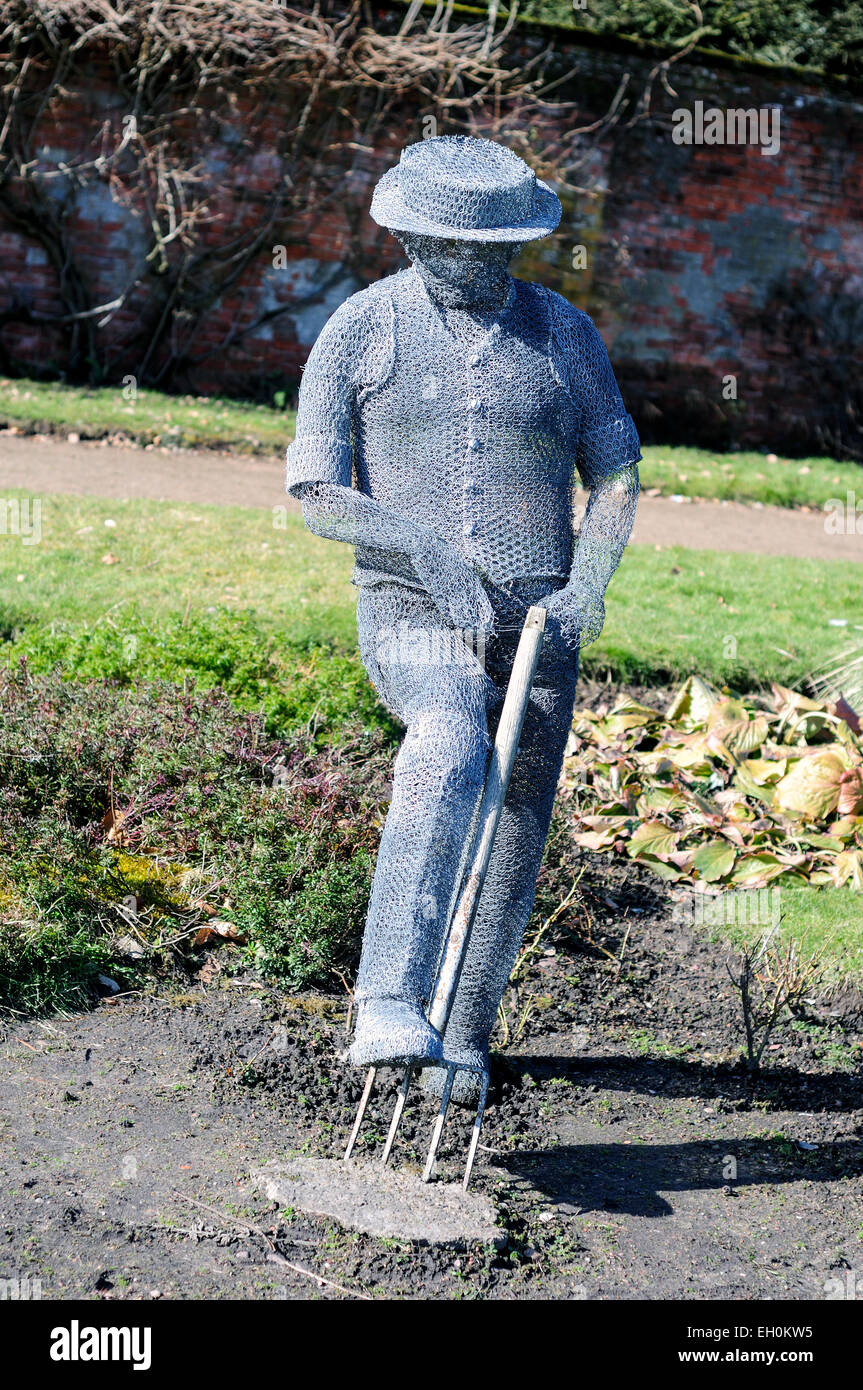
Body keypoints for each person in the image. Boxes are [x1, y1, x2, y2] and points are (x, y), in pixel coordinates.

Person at [286, 135, 640, 1099]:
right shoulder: (362, 330)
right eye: (452, 248)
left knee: (519, 815)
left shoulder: (564, 334)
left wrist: (587, 585)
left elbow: (614, 477)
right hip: (410, 605)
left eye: (497, 249)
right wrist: (427, 551)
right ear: (406, 238)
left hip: (540, 623)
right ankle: (386, 1003)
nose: (476, 266)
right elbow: (316, 488)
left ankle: (464, 1035)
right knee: (444, 745)